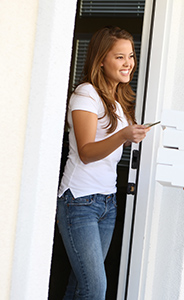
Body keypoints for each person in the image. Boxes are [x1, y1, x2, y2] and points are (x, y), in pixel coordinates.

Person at [56, 26, 150, 299]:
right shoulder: (85, 94)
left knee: (80, 284)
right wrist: (123, 135)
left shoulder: (117, 101)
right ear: (100, 60)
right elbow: (86, 152)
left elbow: (114, 144)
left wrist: (132, 134)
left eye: (130, 56)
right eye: (119, 57)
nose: (128, 63)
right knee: (95, 289)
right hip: (79, 200)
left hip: (107, 201)